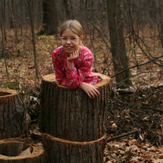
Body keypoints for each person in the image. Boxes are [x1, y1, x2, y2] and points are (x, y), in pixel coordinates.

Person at [52, 20, 101, 99]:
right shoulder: (56, 54)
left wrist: (70, 63)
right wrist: (81, 84)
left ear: (81, 39)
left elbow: (73, 84)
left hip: (88, 84)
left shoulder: (87, 56)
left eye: (73, 38)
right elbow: (60, 79)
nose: (68, 42)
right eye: (64, 38)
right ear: (60, 38)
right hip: (68, 88)